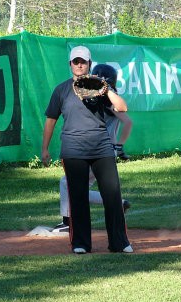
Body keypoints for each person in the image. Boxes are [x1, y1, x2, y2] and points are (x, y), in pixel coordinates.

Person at [42, 45, 133, 254]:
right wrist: (45, 148)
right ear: (70, 64)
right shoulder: (61, 90)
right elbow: (51, 120)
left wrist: (106, 88)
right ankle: (81, 243)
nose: (79, 64)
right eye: (76, 61)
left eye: (83, 61)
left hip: (102, 149)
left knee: (112, 194)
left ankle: (119, 242)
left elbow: (122, 109)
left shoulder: (99, 87)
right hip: (73, 150)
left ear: (89, 64)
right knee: (78, 197)